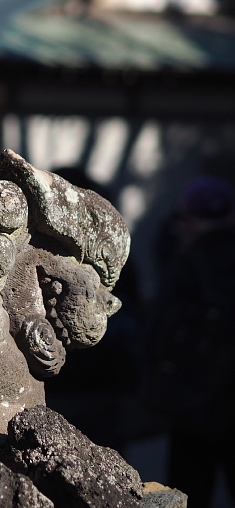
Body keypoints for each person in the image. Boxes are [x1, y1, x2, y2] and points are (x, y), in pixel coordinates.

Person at [144, 175, 235, 508]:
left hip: (192, 406)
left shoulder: (185, 266)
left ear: (187, 219)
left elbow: (158, 331)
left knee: (189, 495)